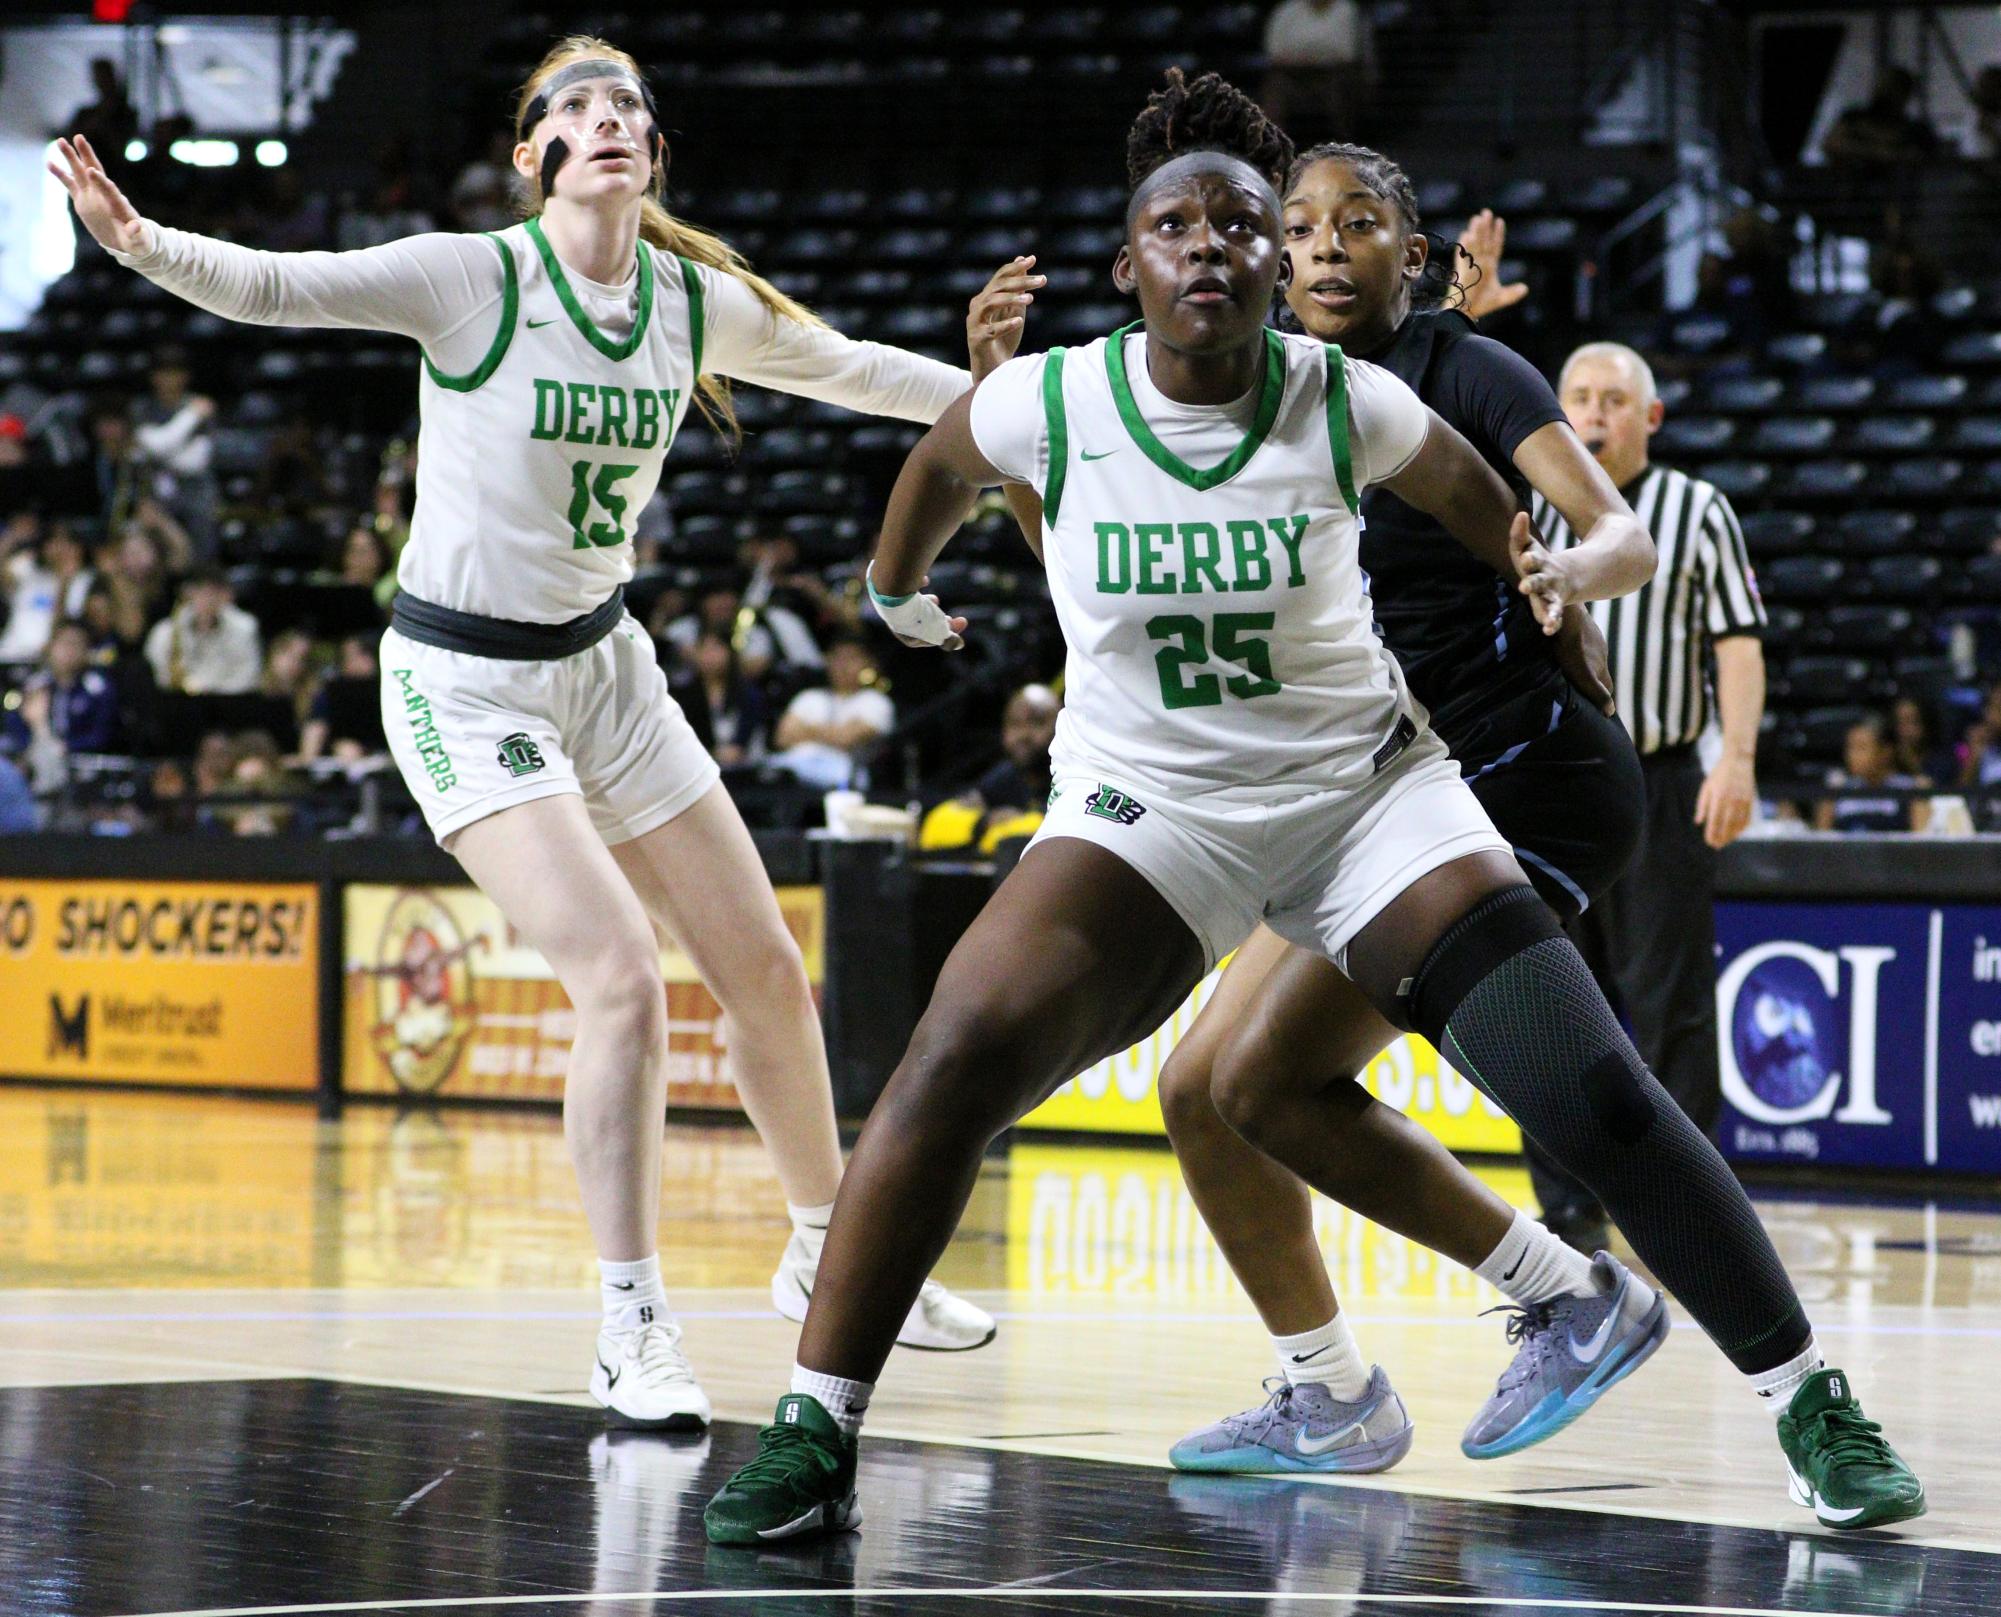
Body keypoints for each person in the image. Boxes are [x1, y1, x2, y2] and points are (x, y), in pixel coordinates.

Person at [706, 77, 1922, 1547]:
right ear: (1128, 263)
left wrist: (1556, 608)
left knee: (1587, 1085)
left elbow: (1488, 501)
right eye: (1176, 224)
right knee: (954, 1055)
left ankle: (1808, 1399)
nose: (1210, 245)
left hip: (1366, 798)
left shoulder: (1355, 395)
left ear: (1272, 271)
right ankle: (814, 1429)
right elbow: (936, 469)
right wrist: (897, 594)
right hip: (1151, 809)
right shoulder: (1049, 395)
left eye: (1238, 225)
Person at [54, 34, 1036, 1430]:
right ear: (535, 156)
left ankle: (826, 1246)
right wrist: (138, 239)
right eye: (575, 103)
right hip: (463, 680)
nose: (607, 116)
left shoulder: (689, 302)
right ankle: (629, 1323)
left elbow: (851, 368)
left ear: (645, 149)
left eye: (626, 101)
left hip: (604, 667)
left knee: (762, 960)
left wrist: (1025, 401)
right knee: (623, 980)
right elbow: (278, 288)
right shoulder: (472, 276)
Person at [1528, 341, 1768, 1253]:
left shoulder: (1696, 510)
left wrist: (1735, 759)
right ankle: (1566, 1206)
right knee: (1546, 1000)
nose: (1593, 413)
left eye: (1613, 400)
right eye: (1578, 396)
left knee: (1668, 1003)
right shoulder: (1528, 503)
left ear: (1649, 418)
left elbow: (1736, 643)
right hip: (1547, 781)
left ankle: (1685, 1204)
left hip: (1661, 777)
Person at [4, 618, 123, 791]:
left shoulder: (98, 688)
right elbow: (15, 728)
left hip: (87, 774)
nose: (69, 651)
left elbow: (103, 734)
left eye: (76, 645)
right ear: (51, 647)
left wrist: (67, 746)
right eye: (64, 644)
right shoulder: (34, 686)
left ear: (86, 651)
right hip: (38, 768)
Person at [770, 634, 893, 789]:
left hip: (847, 775)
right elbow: (782, 737)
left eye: (851, 659)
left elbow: (845, 739)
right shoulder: (809, 697)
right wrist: (831, 733)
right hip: (796, 775)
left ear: (868, 663)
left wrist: (806, 730)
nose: (843, 666)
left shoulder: (876, 701)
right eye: (838, 658)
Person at [1260, 0, 1374, 142]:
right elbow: (1274, 51)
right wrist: (1310, 58)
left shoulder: (1348, 10)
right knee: (1275, 84)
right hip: (1292, 75)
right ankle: (1273, 145)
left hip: (1333, 74)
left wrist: (1310, 58)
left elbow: (1347, 53)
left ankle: (1345, 144)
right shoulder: (1286, 10)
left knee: (1341, 83)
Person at [143, 565, 262, 694]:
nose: (208, 598)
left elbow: (248, 674)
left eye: (215, 592)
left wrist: (210, 692)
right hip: (178, 702)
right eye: (200, 591)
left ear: (228, 595)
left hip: (230, 703)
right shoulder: (165, 632)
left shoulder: (245, 627)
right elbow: (158, 673)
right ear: (186, 593)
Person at [668, 628, 769, 766]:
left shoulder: (747, 693)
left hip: (745, 763)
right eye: (705, 649)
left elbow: (748, 731)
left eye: (716, 649)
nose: (710, 656)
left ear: (729, 653)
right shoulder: (684, 695)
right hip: (699, 763)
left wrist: (737, 748)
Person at [1817, 715, 1923, 833]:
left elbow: (1921, 840)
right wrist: (1828, 799)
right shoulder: (1839, 788)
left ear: (1885, 752)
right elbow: (1821, 839)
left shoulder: (1910, 788)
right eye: (1850, 747)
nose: (1852, 756)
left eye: (1861, 747)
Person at [971, 682, 1058, 814]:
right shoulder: (1005, 775)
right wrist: (982, 823)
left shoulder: (1077, 775)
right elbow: (959, 809)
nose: (1023, 734)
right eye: (1015, 723)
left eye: (1037, 722)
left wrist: (1018, 823)